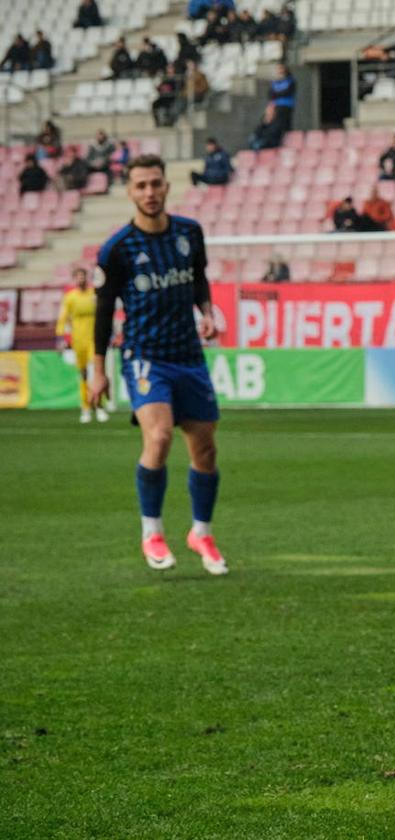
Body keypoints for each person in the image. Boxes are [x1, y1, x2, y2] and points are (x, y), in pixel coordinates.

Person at [89, 154, 228, 576]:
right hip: (144, 355)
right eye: (141, 186)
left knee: (204, 447)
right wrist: (98, 369)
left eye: (155, 184)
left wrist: (206, 310)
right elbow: (102, 311)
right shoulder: (116, 250)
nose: (149, 192)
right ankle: (152, 530)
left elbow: (198, 278)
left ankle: (200, 532)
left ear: (166, 186)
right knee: (160, 435)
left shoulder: (190, 233)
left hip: (188, 354)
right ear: (130, 192)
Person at [57, 268, 109, 424]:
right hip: (78, 340)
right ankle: (85, 408)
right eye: (78, 277)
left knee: (96, 372)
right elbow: (63, 319)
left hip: (94, 339)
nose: (81, 279)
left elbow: (103, 313)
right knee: (83, 375)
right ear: (74, 279)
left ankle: (99, 406)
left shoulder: (94, 294)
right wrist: (61, 338)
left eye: (83, 276)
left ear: (86, 278)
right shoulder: (70, 297)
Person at [268, 63, 296, 131]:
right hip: (276, 106)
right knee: (275, 124)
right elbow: (270, 94)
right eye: (278, 69)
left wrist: (277, 94)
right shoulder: (274, 82)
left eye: (281, 69)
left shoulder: (290, 80)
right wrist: (279, 94)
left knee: (286, 125)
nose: (280, 71)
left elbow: (288, 92)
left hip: (286, 106)